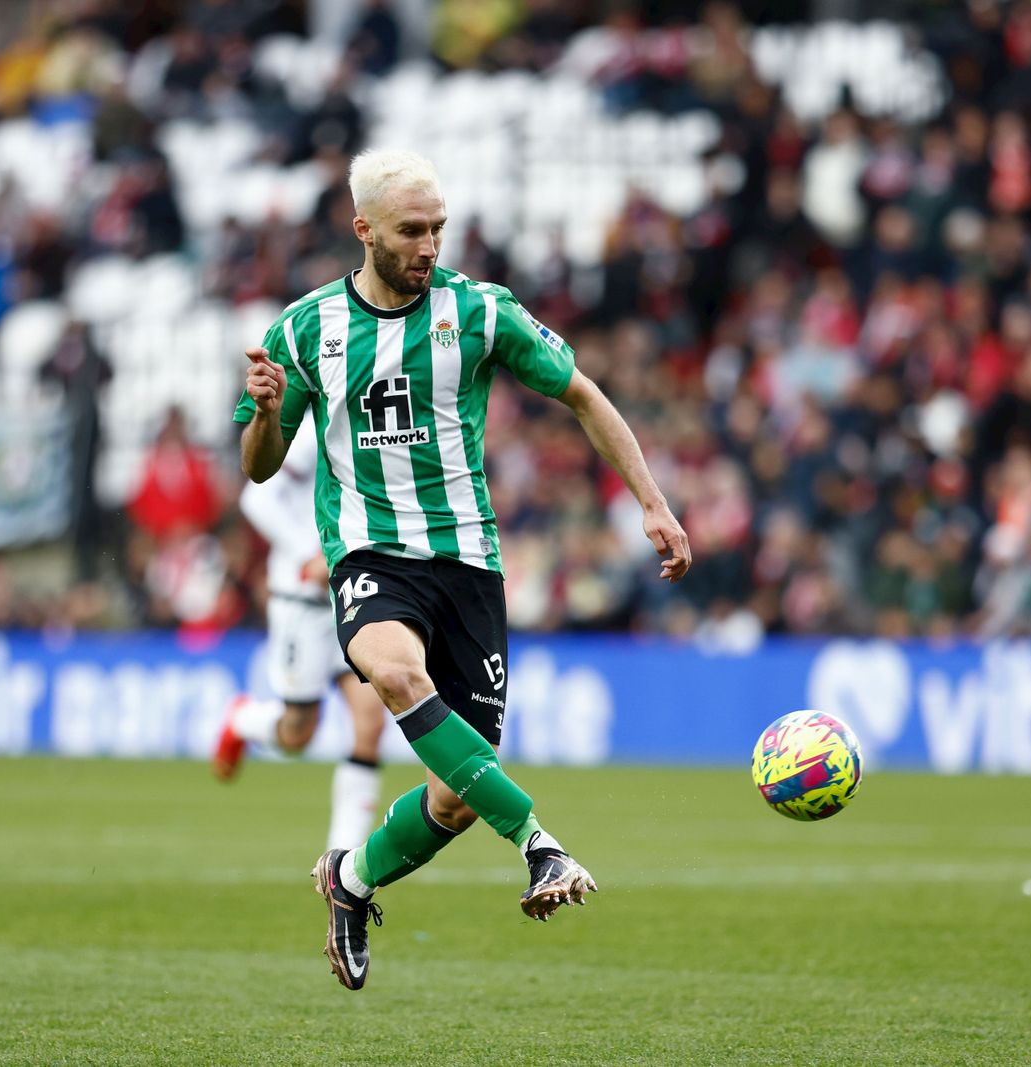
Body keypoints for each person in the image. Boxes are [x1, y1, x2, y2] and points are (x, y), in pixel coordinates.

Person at [232, 148, 692, 990]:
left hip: (469, 564)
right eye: (412, 230)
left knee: (452, 795)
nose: (430, 245)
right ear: (363, 228)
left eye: (439, 227)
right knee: (395, 673)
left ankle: (352, 877)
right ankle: (538, 844)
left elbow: (583, 393)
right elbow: (260, 466)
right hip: (370, 555)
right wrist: (266, 415)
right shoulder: (304, 329)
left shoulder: (481, 312)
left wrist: (653, 503)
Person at [212, 417, 388, 853]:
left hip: (351, 595)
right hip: (302, 602)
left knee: (370, 721)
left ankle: (341, 860)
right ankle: (243, 720)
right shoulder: (315, 430)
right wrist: (309, 552)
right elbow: (257, 499)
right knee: (297, 735)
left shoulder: (379, 423)